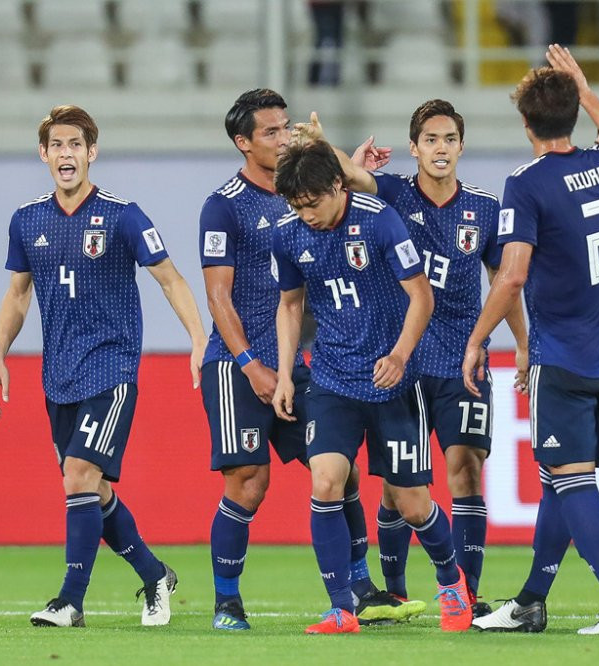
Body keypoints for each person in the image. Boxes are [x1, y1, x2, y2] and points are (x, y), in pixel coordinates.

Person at [294, 100, 529, 617]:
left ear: (461, 146)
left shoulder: (486, 209)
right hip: (400, 362)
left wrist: (524, 346)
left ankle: (465, 590)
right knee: (400, 491)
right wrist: (317, 142)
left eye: (449, 139)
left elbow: (503, 283)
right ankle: (395, 588)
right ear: (415, 147)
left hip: (463, 362)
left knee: (466, 470)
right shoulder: (394, 194)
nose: (440, 148)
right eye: (430, 140)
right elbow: (344, 175)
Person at [0, 105, 207, 627]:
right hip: (58, 374)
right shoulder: (27, 219)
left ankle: (70, 601)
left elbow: (170, 278)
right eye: (57, 146)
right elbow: (17, 296)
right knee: (92, 488)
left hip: (111, 367)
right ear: (44, 154)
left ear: (92, 152)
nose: (67, 154)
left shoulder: (123, 215)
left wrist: (199, 339)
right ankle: (155, 577)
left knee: (78, 474)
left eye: (76, 145)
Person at [198, 89, 411, 631]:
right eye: (270, 132)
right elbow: (218, 296)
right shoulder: (223, 205)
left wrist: (350, 165)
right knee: (248, 481)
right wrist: (251, 364)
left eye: (287, 126)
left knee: (338, 474)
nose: (284, 137)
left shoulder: (304, 188)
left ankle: (358, 589)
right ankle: (227, 600)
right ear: (243, 143)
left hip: (301, 364)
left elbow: (353, 205)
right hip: (238, 366)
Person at [466, 45, 599, 635]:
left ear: (525, 125)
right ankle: (531, 600)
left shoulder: (526, 183)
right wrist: (587, 90)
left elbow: (512, 272)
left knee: (571, 479)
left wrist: (478, 338)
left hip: (561, 356)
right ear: (572, 114)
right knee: (559, 480)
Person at [272, 140, 472, 634]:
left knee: (412, 503)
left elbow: (421, 296)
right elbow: (291, 305)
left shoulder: (380, 219)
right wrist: (283, 374)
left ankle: (452, 583)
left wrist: (401, 355)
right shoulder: (288, 234)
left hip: (393, 382)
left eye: (312, 203)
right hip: (334, 380)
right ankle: (342, 608)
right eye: (296, 206)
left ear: (338, 186)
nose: (306, 215)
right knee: (325, 483)